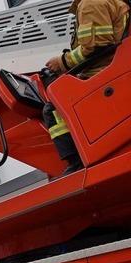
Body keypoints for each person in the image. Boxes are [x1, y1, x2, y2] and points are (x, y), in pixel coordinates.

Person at [42, 0, 130, 176]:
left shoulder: (91, 3)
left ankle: (77, 163)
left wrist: (61, 62)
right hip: (115, 69)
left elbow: (97, 47)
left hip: (104, 75)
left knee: (52, 109)